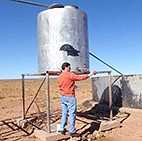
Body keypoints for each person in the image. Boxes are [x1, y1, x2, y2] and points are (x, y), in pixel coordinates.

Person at [57, 62, 96, 137]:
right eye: (69, 67)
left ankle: (61, 128)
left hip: (63, 97)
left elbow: (62, 85)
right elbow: (80, 77)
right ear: (66, 67)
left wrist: (72, 86)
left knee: (64, 113)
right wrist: (91, 74)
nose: (70, 68)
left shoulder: (60, 76)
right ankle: (72, 131)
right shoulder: (70, 74)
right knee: (72, 113)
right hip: (70, 97)